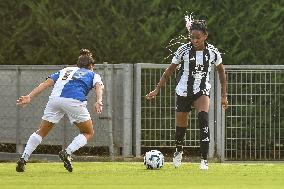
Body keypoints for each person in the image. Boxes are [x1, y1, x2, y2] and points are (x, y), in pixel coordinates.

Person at [145, 15, 228, 170]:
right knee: (181, 127)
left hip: (202, 90)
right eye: (192, 37)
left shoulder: (213, 52)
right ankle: (178, 150)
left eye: (197, 37)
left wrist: (224, 95)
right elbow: (168, 72)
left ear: (205, 36)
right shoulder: (183, 50)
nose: (194, 40)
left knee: (203, 118)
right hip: (183, 90)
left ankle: (204, 160)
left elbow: (222, 73)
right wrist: (157, 89)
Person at [16, 49, 104, 172]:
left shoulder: (66, 70)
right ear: (91, 66)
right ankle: (67, 152)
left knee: (41, 131)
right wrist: (99, 100)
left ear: (78, 64)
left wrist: (29, 96)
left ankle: (23, 158)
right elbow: (99, 86)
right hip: (74, 101)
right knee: (88, 132)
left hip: (55, 100)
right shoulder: (93, 74)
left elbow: (46, 83)